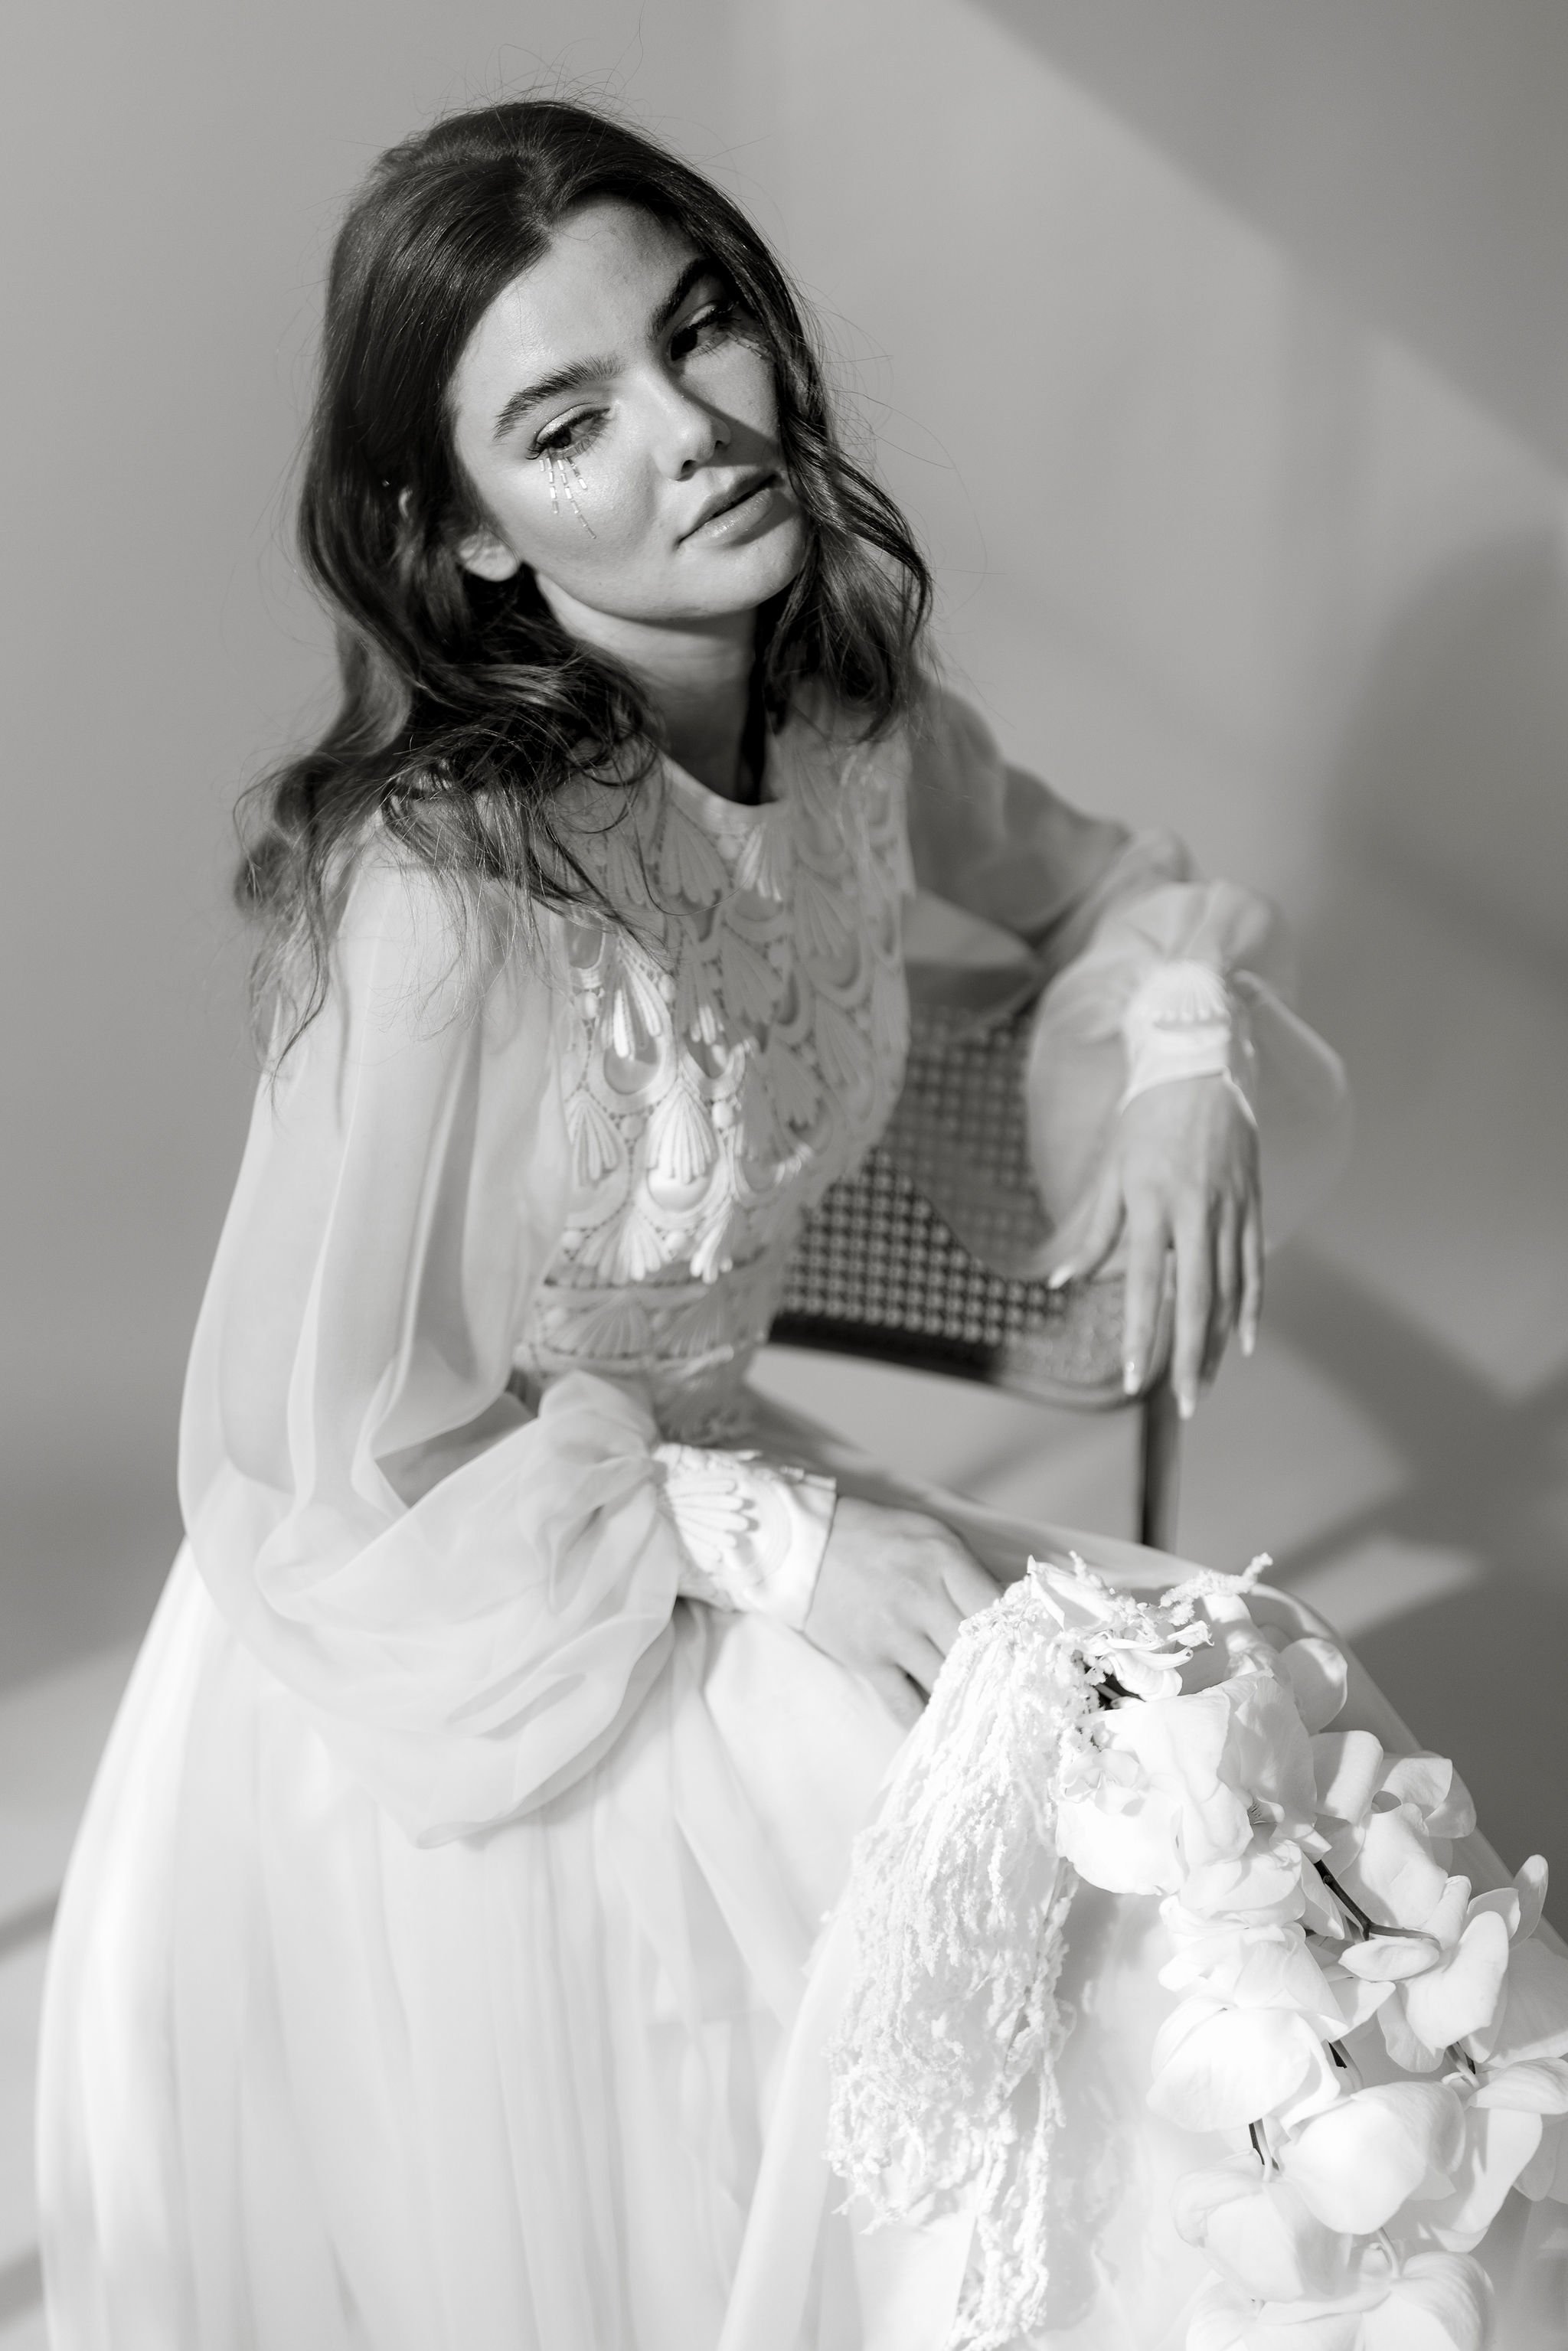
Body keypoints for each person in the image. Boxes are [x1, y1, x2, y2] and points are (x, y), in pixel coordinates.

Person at [37, 98, 1357, 2349]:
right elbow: (351, 1453)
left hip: (711, 1480)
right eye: (569, 423)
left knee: (1217, 1840)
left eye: (702, 330)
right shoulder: (442, 901)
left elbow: (1116, 888)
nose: (691, 434)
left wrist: (1165, 1073)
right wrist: (784, 1553)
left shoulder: (848, 722)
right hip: (464, 1613)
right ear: (459, 538)